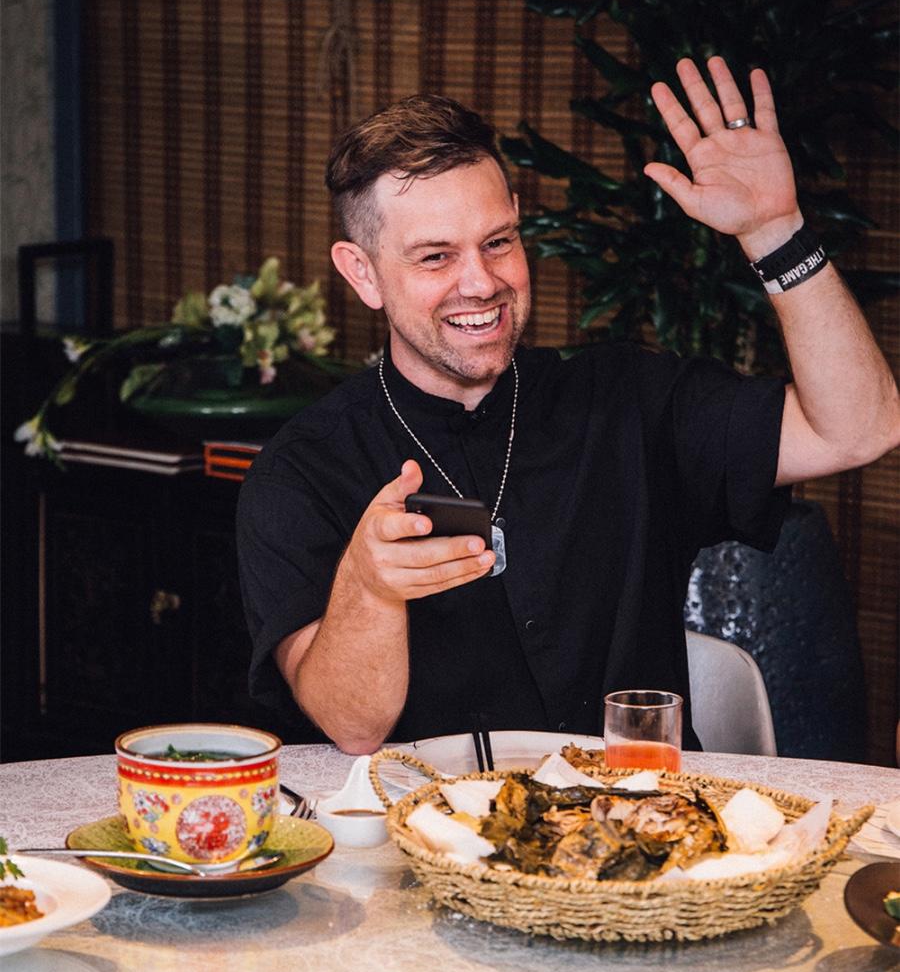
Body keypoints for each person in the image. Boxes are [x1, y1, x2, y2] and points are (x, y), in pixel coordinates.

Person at [237, 57, 899, 753]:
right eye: (435, 257)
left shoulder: (628, 399)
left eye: (498, 242)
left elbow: (861, 429)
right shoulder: (302, 470)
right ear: (362, 273)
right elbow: (351, 725)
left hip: (644, 810)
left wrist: (776, 232)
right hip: (427, 820)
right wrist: (370, 589)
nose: (481, 282)